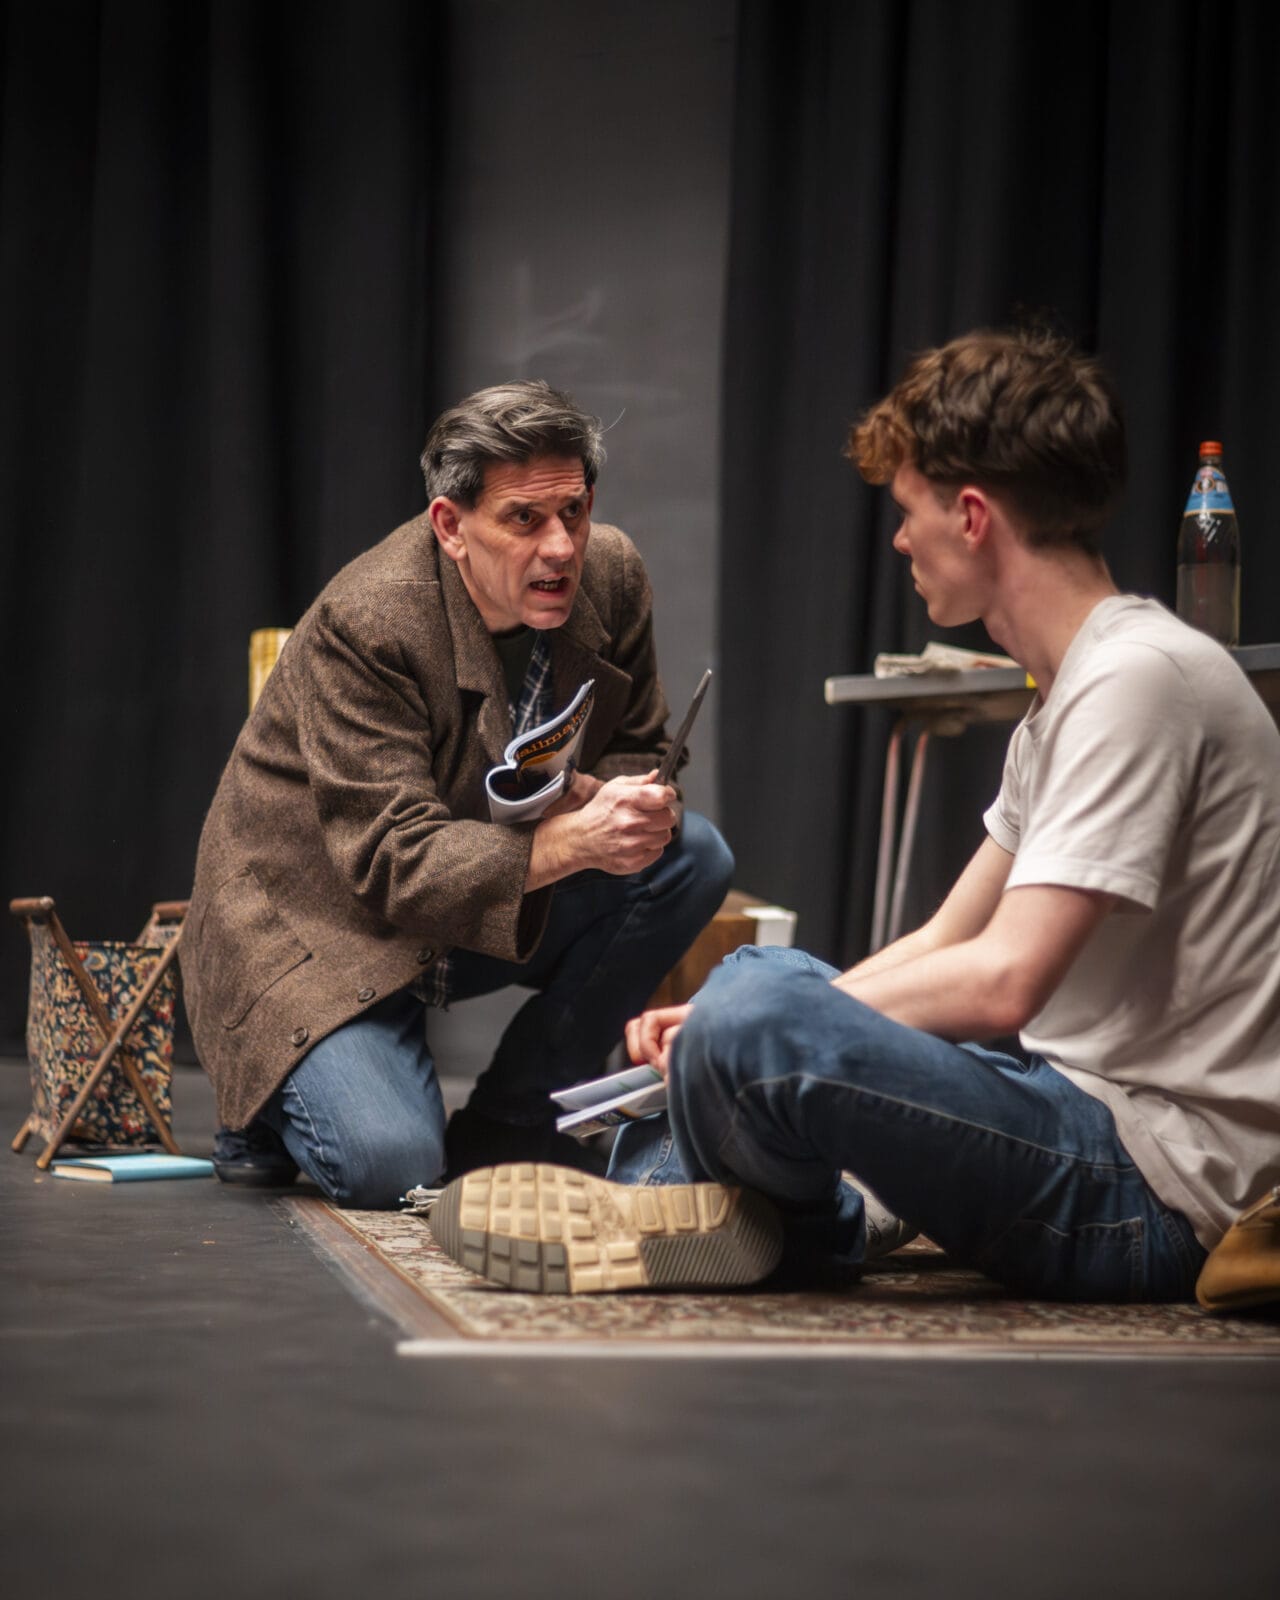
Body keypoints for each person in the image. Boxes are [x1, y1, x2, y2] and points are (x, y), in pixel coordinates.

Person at [429, 329, 1280, 1301]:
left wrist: (744, 1026)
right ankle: (695, 1212)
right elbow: (945, 937)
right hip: (1074, 1117)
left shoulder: (1137, 681)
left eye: (907, 510)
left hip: (1149, 1191)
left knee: (757, 1010)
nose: (898, 539)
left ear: (970, 516)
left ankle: (764, 1217)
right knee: (755, 979)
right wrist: (730, 1016)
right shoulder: (1078, 689)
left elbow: (1004, 981)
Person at [181, 380, 733, 1206]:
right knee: (391, 1165)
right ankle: (263, 1100)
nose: (560, 548)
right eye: (524, 520)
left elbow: (637, 745)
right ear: (450, 526)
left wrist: (626, 800)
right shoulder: (370, 621)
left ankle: (514, 1123)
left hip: (470, 892)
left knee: (686, 857)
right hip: (320, 921)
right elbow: (392, 862)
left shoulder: (608, 574)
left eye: (574, 512)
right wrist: (572, 839)